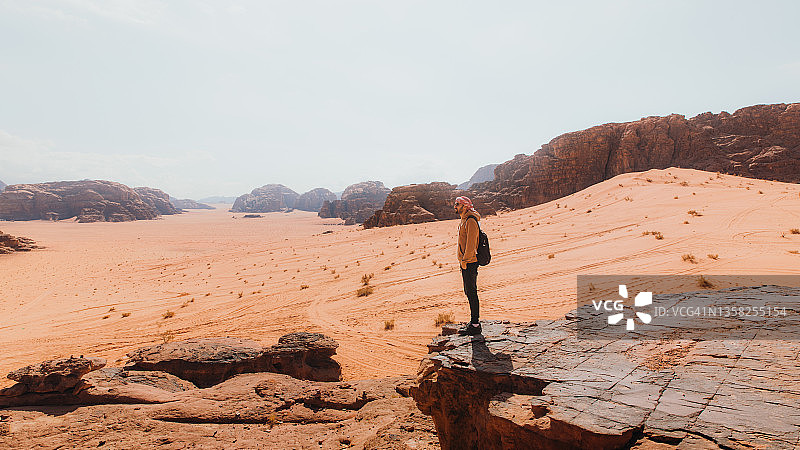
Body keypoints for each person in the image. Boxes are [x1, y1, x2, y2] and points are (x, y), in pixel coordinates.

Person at [454, 196, 482, 336]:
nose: (455, 206)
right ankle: (473, 322)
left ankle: (475, 325)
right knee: (469, 292)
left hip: (470, 262)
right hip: (466, 262)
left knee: (471, 292)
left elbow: (471, 244)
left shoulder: (470, 220)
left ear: (465, 206)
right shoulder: (465, 220)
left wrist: (465, 261)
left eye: (457, 204)